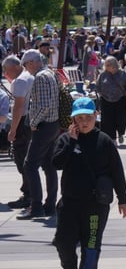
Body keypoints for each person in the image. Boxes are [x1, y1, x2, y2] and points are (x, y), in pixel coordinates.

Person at [52, 97, 126, 269]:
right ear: (73, 119)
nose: (84, 122)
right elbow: (57, 164)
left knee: (91, 245)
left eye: (88, 117)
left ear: (96, 115)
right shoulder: (65, 139)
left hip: (95, 205)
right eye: (80, 118)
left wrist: (122, 199)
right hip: (70, 203)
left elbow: (117, 172)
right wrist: (71, 142)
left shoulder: (105, 141)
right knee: (63, 243)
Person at [17, 49, 60, 220]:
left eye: (27, 65)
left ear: (34, 62)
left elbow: (44, 105)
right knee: (49, 166)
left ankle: (36, 206)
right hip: (53, 125)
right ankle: (50, 205)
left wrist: (34, 123)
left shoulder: (41, 77)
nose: (27, 68)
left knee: (30, 165)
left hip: (44, 126)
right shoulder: (50, 73)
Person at [3, 55, 34, 210]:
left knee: (22, 158)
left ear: (14, 67)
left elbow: (18, 107)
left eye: (6, 70)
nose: (5, 74)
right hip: (29, 121)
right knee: (26, 158)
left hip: (23, 122)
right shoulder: (28, 76)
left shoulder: (20, 80)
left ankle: (28, 194)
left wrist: (13, 130)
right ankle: (29, 192)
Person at [97, 56, 126, 144]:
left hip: (120, 99)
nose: (107, 66)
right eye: (106, 65)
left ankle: (120, 133)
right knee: (107, 120)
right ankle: (112, 138)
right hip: (106, 100)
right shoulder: (103, 74)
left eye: (109, 65)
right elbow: (98, 85)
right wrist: (100, 93)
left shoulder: (122, 73)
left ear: (114, 65)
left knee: (120, 119)